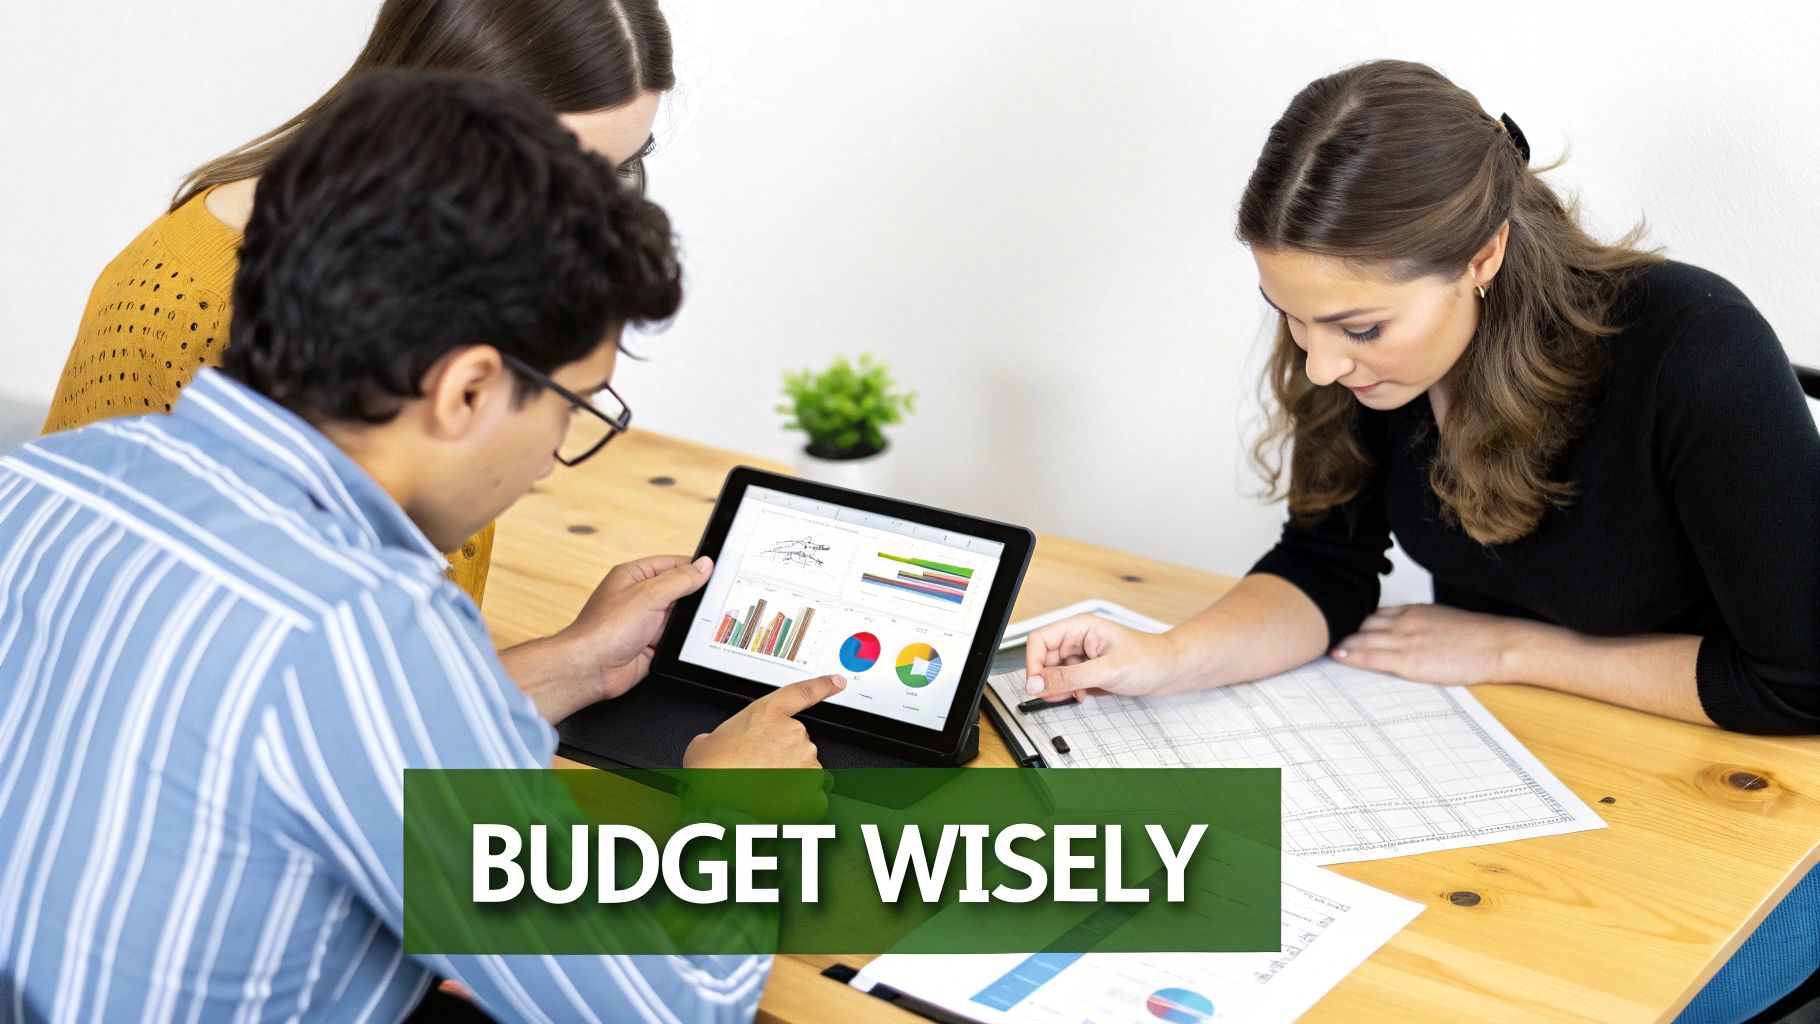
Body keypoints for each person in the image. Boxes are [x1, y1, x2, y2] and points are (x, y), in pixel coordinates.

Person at [0, 69, 841, 1022]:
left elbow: (280, 728)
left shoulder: (44, 483)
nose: (556, 455)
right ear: (467, 390)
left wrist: (566, 664)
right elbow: (669, 1010)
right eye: (571, 405)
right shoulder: (367, 626)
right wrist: (739, 823)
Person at [1021, 60, 1819, 1023]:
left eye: (1359, 328)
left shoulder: (1696, 351)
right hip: (1517, 763)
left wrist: (1513, 650)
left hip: (1752, 799)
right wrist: (1167, 657)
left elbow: (1799, 683)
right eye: (1291, 318)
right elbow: (1325, 564)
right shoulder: (1353, 349)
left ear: (1483, 256)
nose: (1321, 363)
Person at [40, 0, 678, 607]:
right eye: (564, 176)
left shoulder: (448, 271)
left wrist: (572, 660)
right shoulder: (186, 313)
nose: (592, 222)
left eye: (621, 170)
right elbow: (161, 658)